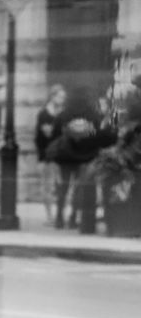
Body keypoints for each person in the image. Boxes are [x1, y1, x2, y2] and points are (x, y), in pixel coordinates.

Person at [46, 86, 103, 229]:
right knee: (80, 188)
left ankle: (59, 217)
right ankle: (73, 218)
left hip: (65, 156)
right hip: (85, 156)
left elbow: (54, 134)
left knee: (63, 187)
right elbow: (99, 134)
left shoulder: (64, 114)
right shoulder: (92, 114)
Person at [34, 85, 66, 224]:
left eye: (63, 97)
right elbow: (44, 135)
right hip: (47, 156)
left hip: (61, 156)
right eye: (60, 96)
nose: (62, 100)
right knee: (48, 187)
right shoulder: (44, 114)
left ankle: (59, 214)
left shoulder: (63, 114)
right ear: (52, 96)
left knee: (60, 186)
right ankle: (49, 216)